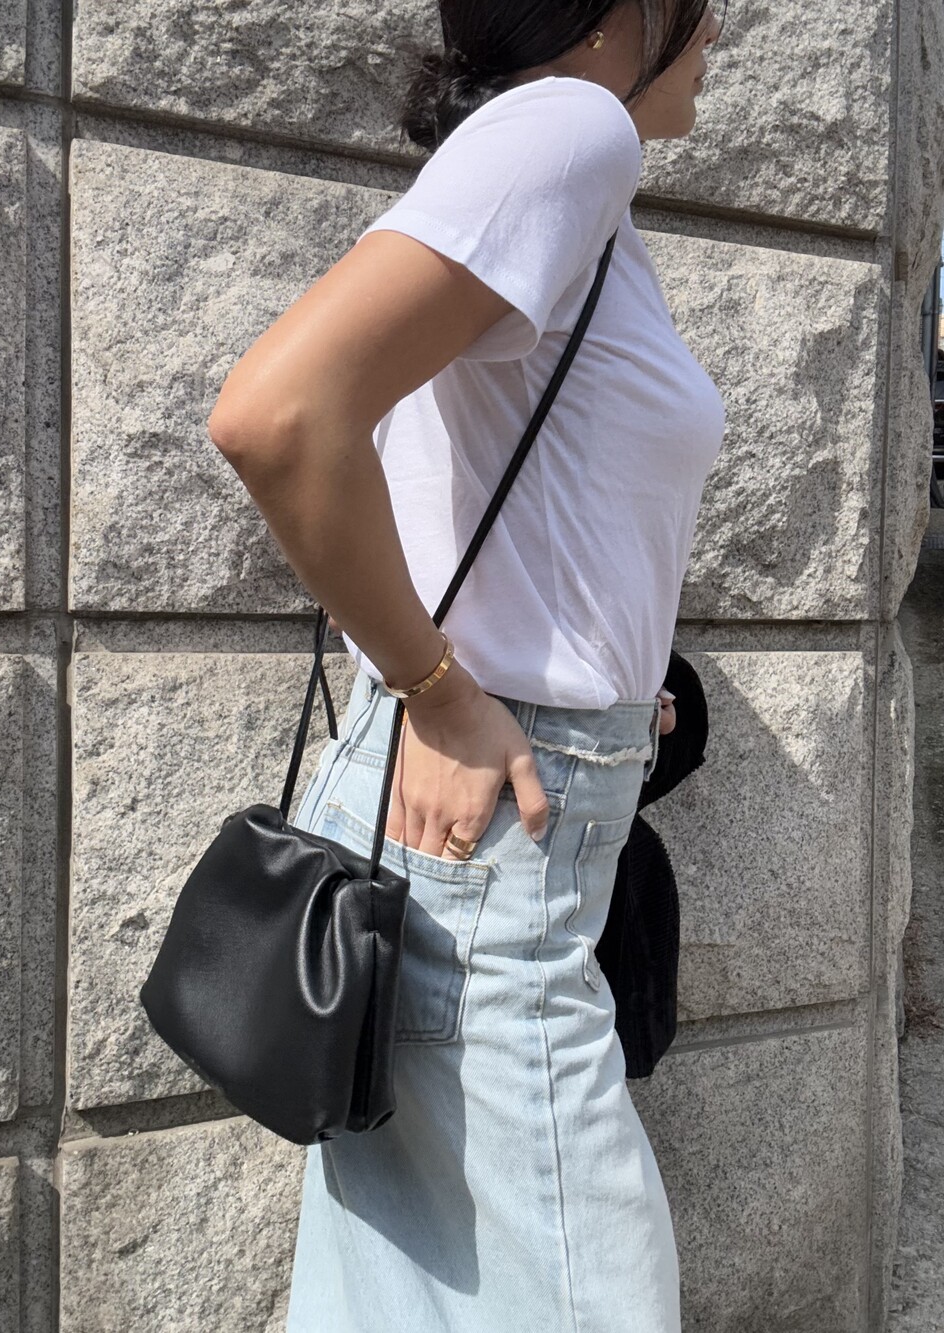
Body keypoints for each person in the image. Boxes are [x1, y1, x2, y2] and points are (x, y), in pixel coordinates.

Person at [208, 0, 726, 1326]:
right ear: (626, 13)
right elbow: (278, 414)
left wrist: (618, 682)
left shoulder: (556, 164)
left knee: (398, 1295)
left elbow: (505, 487)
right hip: (494, 843)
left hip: (494, 829)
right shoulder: (575, 128)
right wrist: (443, 691)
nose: (721, 31)